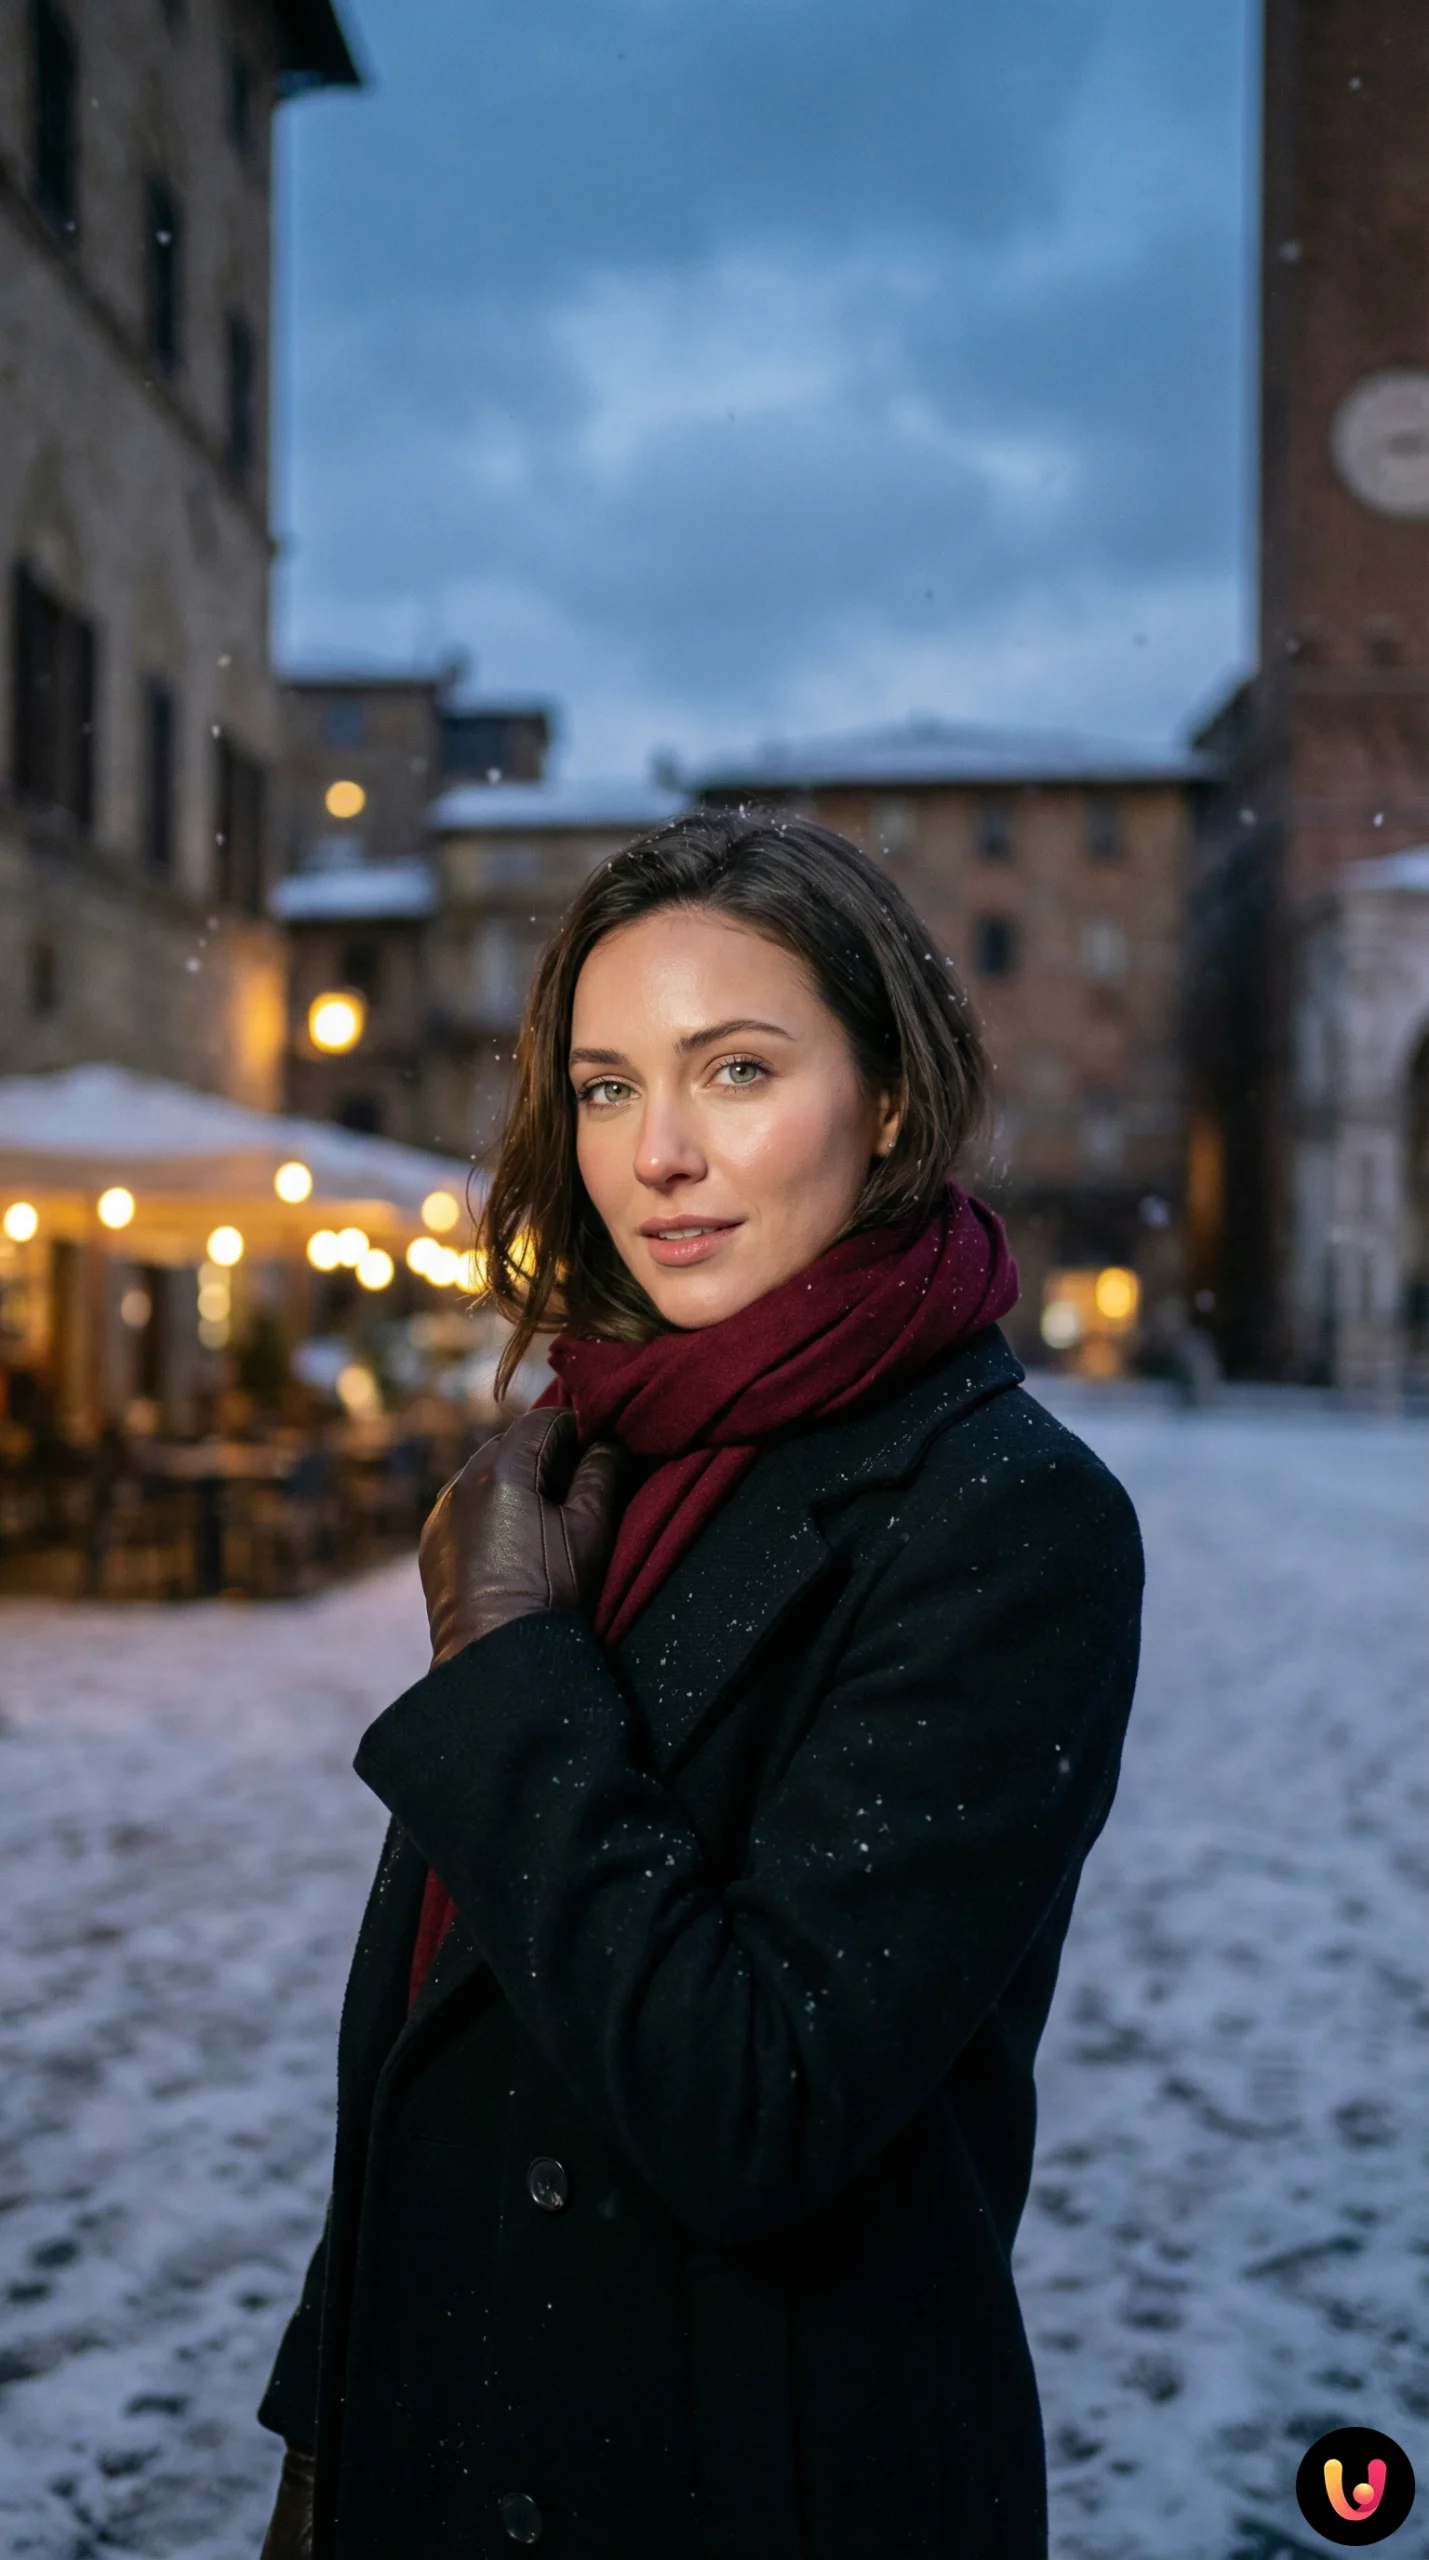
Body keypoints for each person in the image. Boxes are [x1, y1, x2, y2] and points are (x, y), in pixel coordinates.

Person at [257, 809, 1143, 2560]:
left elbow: (757, 2103)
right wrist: (327, 2433)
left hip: (753, 2479)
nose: (658, 1151)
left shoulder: (1006, 1520)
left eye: (735, 1070)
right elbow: (448, 2052)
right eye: (603, 1088)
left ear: (887, 1101)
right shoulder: (600, 1453)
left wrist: (509, 1665)